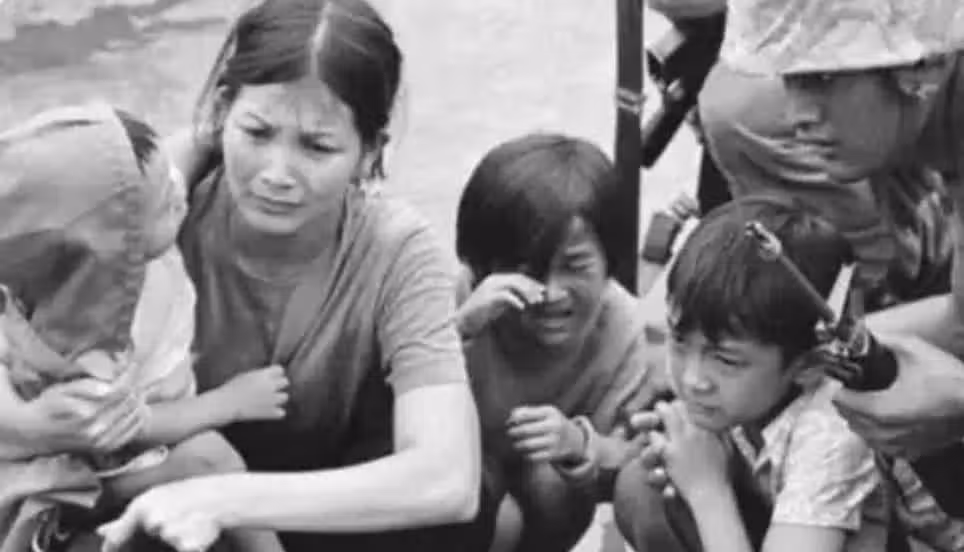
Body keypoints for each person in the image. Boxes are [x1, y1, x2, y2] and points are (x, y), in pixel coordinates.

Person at [93, 1, 490, 551]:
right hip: (167, 500)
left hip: (313, 511)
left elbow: (448, 480)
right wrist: (182, 159)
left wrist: (222, 497)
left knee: (460, 517)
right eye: (257, 133)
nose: (277, 174)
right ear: (222, 114)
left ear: (370, 152)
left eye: (317, 147)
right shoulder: (158, 213)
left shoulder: (397, 251)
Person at [0, 104, 286, 552]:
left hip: (97, 452)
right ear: (113, 248)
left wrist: (217, 131)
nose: (178, 190)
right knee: (212, 458)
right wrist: (229, 403)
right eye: (164, 203)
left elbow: (159, 173)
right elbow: (135, 426)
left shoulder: (87, 255)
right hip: (72, 477)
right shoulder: (92, 344)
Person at [613, 195, 901, 552]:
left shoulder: (832, 432)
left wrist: (707, 490)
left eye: (726, 361)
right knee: (644, 486)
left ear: (808, 366)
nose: (692, 380)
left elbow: (710, 492)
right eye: (680, 342)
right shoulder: (748, 391)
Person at [454, 133, 667, 551]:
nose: (551, 292)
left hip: (549, 510)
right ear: (483, 265)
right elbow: (379, 406)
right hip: (459, 490)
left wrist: (578, 442)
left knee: (551, 479)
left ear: (609, 263)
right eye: (526, 268)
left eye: (575, 266)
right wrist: (458, 331)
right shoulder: (460, 299)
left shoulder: (625, 331)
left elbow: (631, 454)